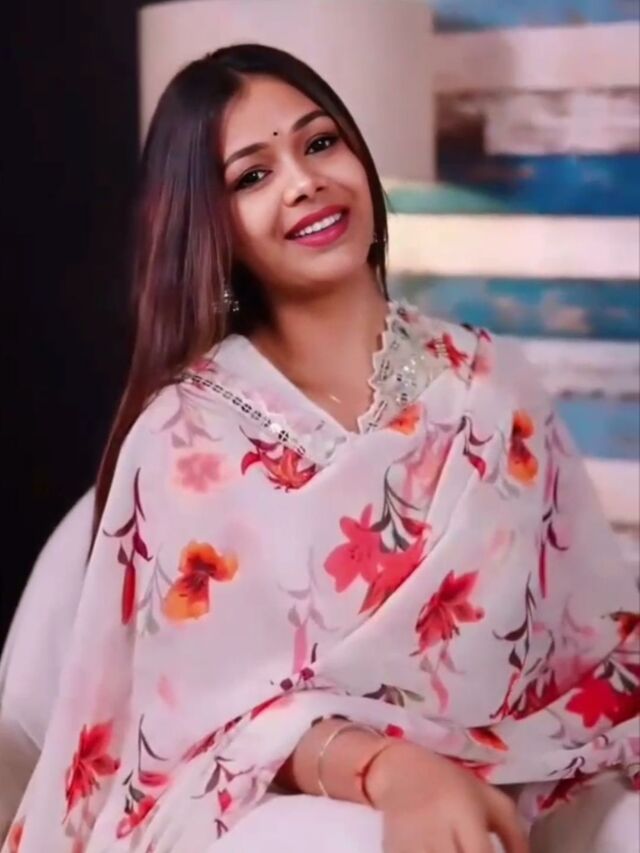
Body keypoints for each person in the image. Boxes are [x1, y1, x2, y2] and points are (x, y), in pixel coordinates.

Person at [2, 44, 638, 853]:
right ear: (212, 224)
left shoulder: (491, 384)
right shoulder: (186, 438)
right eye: (252, 176)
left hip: (506, 788)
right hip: (267, 814)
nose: (303, 181)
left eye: (320, 142)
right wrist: (391, 771)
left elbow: (590, 652)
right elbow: (201, 726)